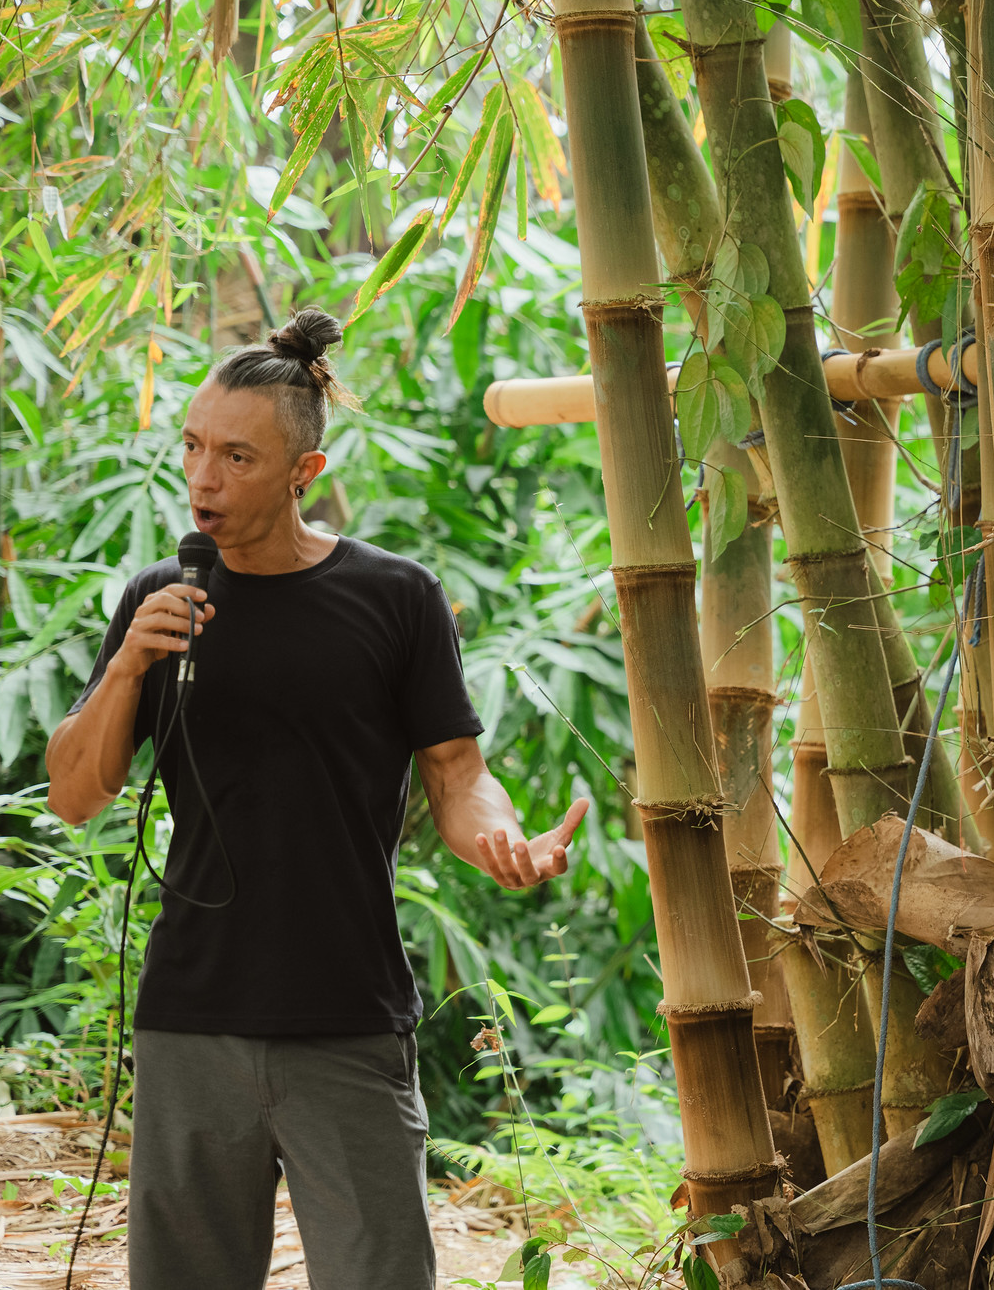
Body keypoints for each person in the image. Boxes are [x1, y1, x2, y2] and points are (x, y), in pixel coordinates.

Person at [44, 308, 585, 1289]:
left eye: (237, 458)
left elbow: (458, 777)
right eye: (194, 447)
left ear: (306, 473)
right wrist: (127, 665)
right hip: (191, 1016)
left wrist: (504, 841)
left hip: (346, 1014)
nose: (202, 479)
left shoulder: (395, 598)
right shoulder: (158, 601)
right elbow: (76, 795)